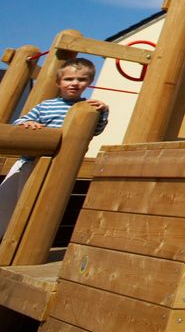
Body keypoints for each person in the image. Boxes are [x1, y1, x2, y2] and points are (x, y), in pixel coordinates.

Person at [0, 58, 108, 236]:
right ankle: (4, 235)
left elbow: (96, 131)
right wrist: (29, 123)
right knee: (7, 199)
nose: (74, 83)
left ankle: (17, 236)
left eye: (81, 79)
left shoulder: (89, 107)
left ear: (89, 82)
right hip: (29, 161)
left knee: (31, 203)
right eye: (69, 79)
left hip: (59, 163)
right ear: (59, 82)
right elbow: (20, 121)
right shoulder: (46, 105)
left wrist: (103, 111)